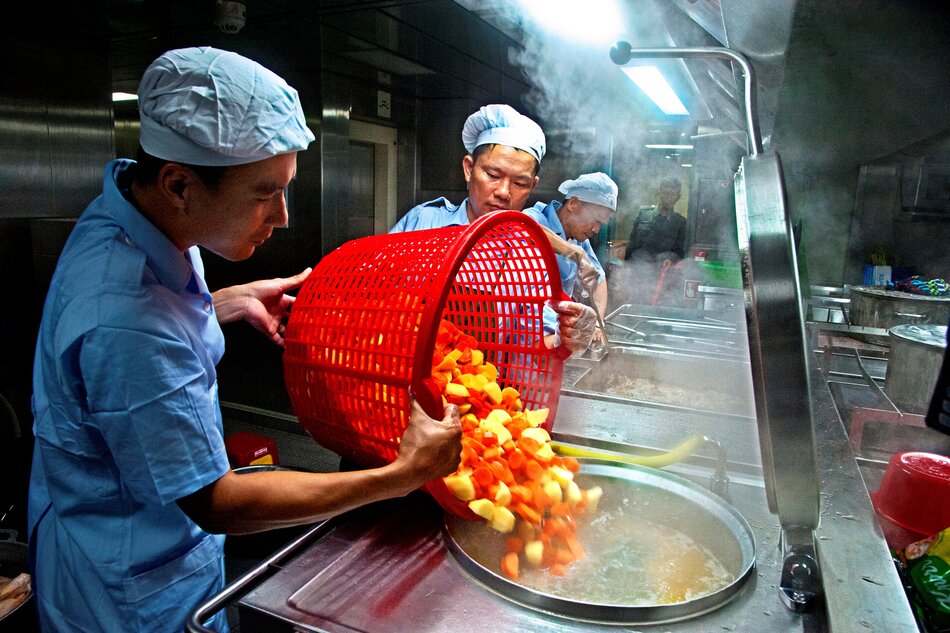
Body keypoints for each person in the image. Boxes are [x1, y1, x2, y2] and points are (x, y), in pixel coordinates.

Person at [27, 47, 462, 633]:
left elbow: (152, 321)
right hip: (128, 592)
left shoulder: (139, 218)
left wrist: (226, 300)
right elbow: (216, 502)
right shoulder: (125, 315)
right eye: (264, 193)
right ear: (179, 182)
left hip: (119, 539)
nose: (281, 217)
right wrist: (399, 477)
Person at [390, 104, 597, 355]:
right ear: (469, 169)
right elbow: (370, 295)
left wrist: (566, 340)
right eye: (492, 175)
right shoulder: (422, 222)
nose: (503, 192)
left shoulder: (529, 257)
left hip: (476, 386)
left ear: (532, 186)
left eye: (519, 183)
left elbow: (534, 349)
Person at [523, 172, 617, 341]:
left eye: (600, 224)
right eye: (595, 220)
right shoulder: (535, 217)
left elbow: (599, 280)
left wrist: (598, 323)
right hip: (524, 336)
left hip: (557, 333)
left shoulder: (579, 238)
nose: (596, 229)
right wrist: (572, 251)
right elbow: (524, 225)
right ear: (573, 203)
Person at [624, 175, 687, 263]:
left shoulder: (681, 223)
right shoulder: (643, 215)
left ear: (678, 197)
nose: (669, 198)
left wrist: (670, 260)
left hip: (663, 272)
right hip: (638, 267)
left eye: (673, 194)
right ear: (660, 192)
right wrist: (626, 267)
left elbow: (680, 253)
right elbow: (631, 245)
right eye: (666, 193)